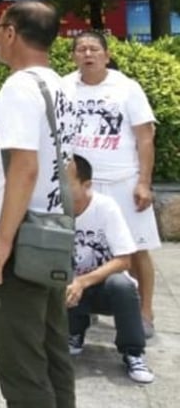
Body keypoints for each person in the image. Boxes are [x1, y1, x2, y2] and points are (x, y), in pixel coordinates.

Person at [0, 0, 75, 408]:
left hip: (17, 237)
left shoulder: (19, 86)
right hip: (48, 231)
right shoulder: (59, 85)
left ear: (12, 32)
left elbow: (25, 168)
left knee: (18, 356)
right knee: (52, 345)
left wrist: (1, 241)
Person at [65, 31, 160, 337]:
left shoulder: (126, 88)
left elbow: (146, 136)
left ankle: (144, 311)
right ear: (73, 56)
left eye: (94, 49)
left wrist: (144, 182)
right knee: (78, 247)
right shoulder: (65, 87)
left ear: (106, 55)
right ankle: (82, 309)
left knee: (137, 249)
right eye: (81, 49)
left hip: (123, 180)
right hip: (81, 184)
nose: (87, 54)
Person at [64, 154, 154, 383]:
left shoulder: (105, 207)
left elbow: (124, 260)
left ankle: (133, 352)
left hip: (103, 288)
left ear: (87, 185)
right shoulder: (53, 209)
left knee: (121, 284)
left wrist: (83, 281)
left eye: (67, 182)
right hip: (68, 289)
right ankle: (73, 333)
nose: (60, 187)